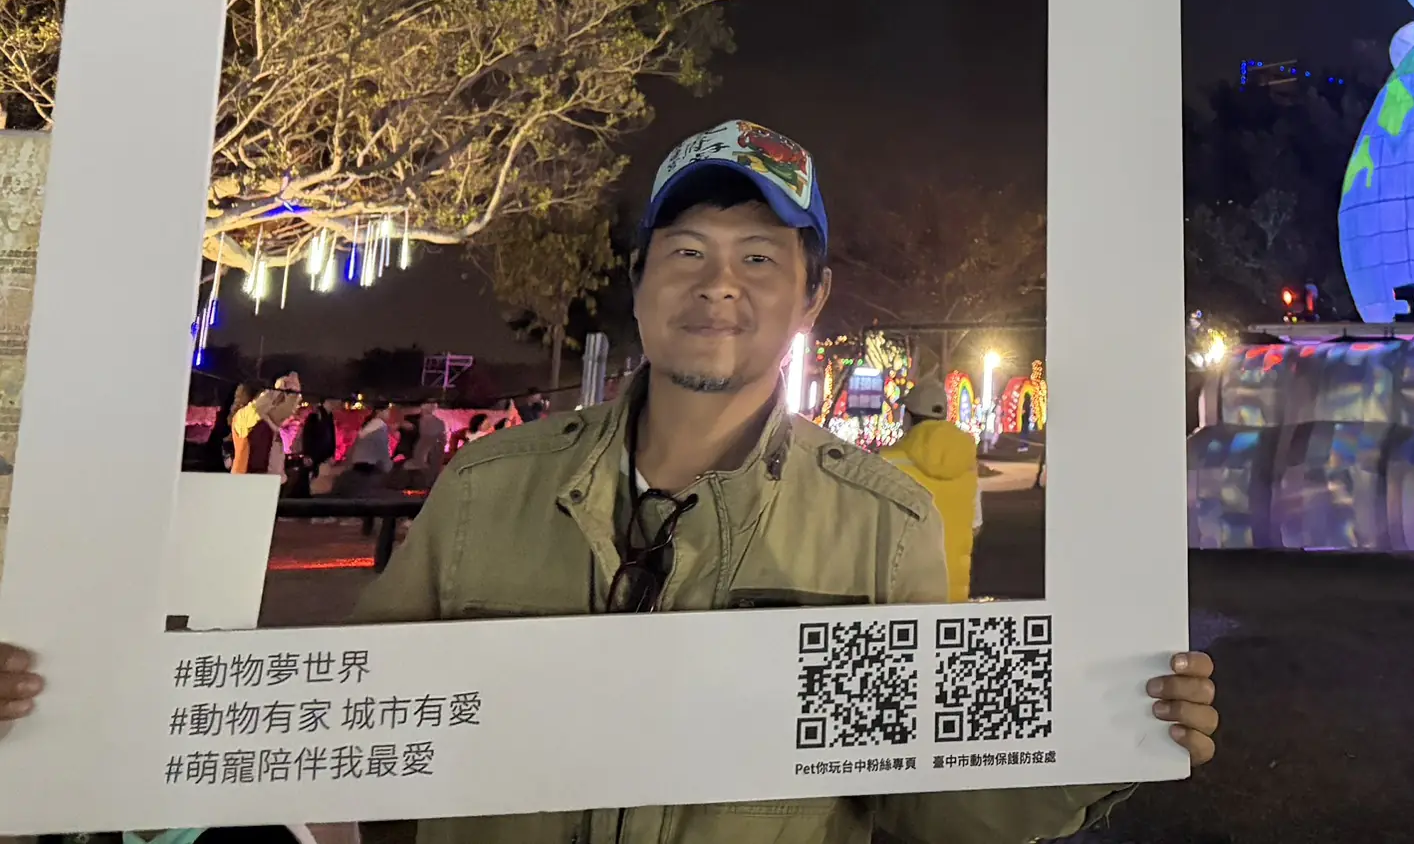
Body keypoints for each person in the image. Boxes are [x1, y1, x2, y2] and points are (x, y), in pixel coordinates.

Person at [318, 117, 1215, 841]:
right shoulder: (483, 491)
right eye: (686, 252)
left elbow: (921, 799)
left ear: (811, 297)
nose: (719, 284)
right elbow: (361, 740)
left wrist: (1105, 730)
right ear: (638, 278)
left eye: (758, 257)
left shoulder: (882, 527)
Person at [883, 368, 982, 601]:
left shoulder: (887, 461)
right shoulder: (966, 462)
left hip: (903, 593)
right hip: (953, 593)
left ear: (908, 417)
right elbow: (975, 525)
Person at [230, 374, 304, 476]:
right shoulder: (242, 420)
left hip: (263, 478)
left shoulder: (264, 420)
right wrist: (278, 391)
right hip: (247, 478)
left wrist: (291, 389)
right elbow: (259, 408)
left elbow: (282, 410)